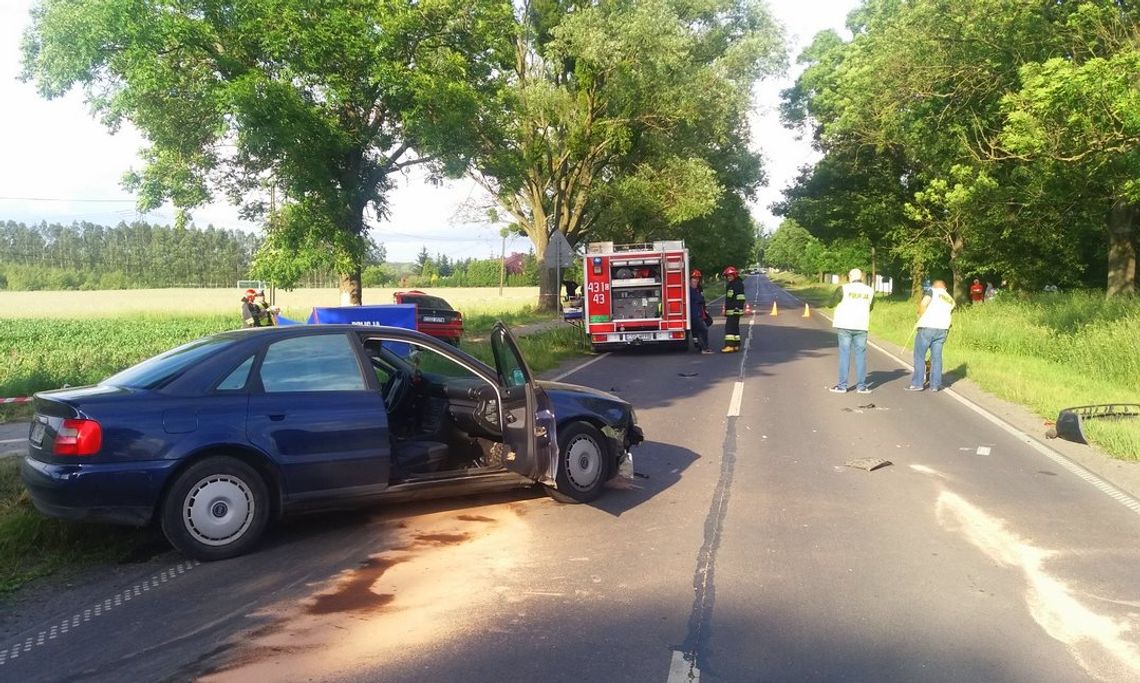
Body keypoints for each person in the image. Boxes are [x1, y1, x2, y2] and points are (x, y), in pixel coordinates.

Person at [827, 268, 875, 393]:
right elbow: (870, 307)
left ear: (850, 277)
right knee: (860, 356)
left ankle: (842, 386)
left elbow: (831, 303)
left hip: (845, 325)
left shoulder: (843, 289)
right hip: (861, 326)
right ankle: (861, 386)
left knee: (844, 354)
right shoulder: (870, 291)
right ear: (862, 277)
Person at [907, 279, 955, 392]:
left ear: (934, 286)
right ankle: (935, 385)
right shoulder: (950, 299)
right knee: (936, 358)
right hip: (942, 329)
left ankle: (917, 384)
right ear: (945, 288)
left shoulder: (932, 292)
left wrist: (920, 318)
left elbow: (923, 304)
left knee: (919, 355)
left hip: (927, 328)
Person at [722, 266, 745, 352]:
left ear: (734, 275)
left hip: (734, 310)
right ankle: (736, 345)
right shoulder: (733, 284)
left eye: (730, 276)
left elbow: (740, 297)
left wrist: (737, 308)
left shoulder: (737, 284)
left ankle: (729, 346)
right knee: (735, 328)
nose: (728, 277)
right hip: (732, 310)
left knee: (730, 328)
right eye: (727, 276)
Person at [689, 269, 712, 354]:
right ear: (690, 279)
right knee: (703, 330)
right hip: (695, 315)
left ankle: (698, 345)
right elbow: (699, 299)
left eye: (697, 278)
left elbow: (702, 300)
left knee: (698, 330)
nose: (696, 280)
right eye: (694, 278)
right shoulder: (690, 290)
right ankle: (704, 348)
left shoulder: (698, 289)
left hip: (699, 313)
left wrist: (705, 310)